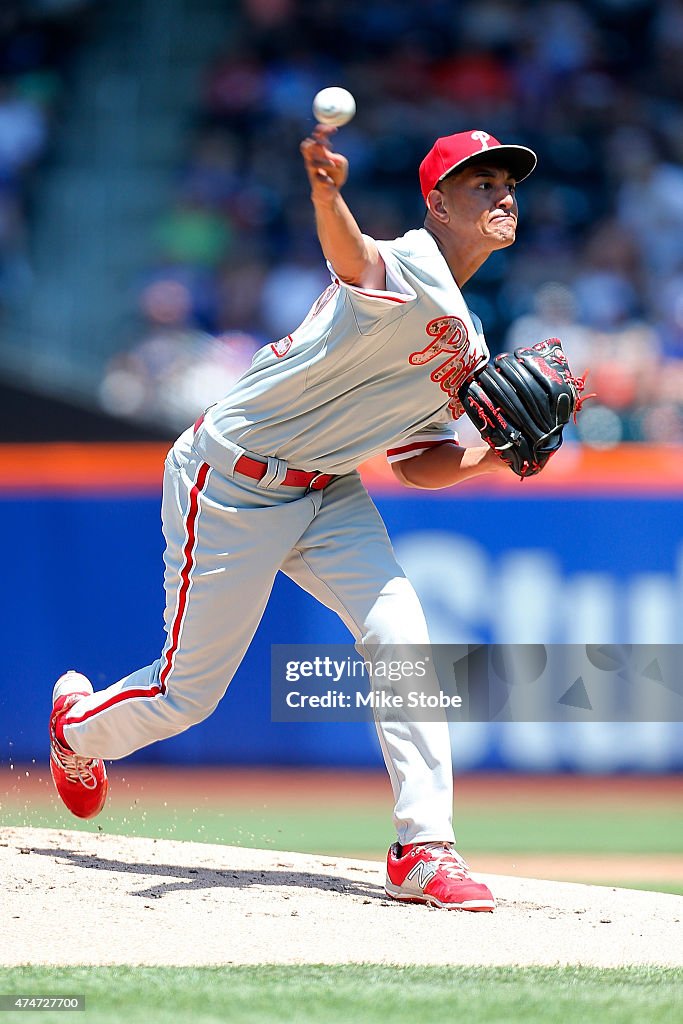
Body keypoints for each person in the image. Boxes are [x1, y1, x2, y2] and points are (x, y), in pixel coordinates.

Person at [49, 126, 537, 912]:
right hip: (232, 479)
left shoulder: (468, 338)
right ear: (436, 202)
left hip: (327, 490)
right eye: (481, 184)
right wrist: (324, 194)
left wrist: (490, 456)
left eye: (508, 184)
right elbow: (352, 259)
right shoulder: (408, 262)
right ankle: (76, 730)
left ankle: (423, 848)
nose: (502, 195)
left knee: (404, 637)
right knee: (185, 697)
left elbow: (416, 461)